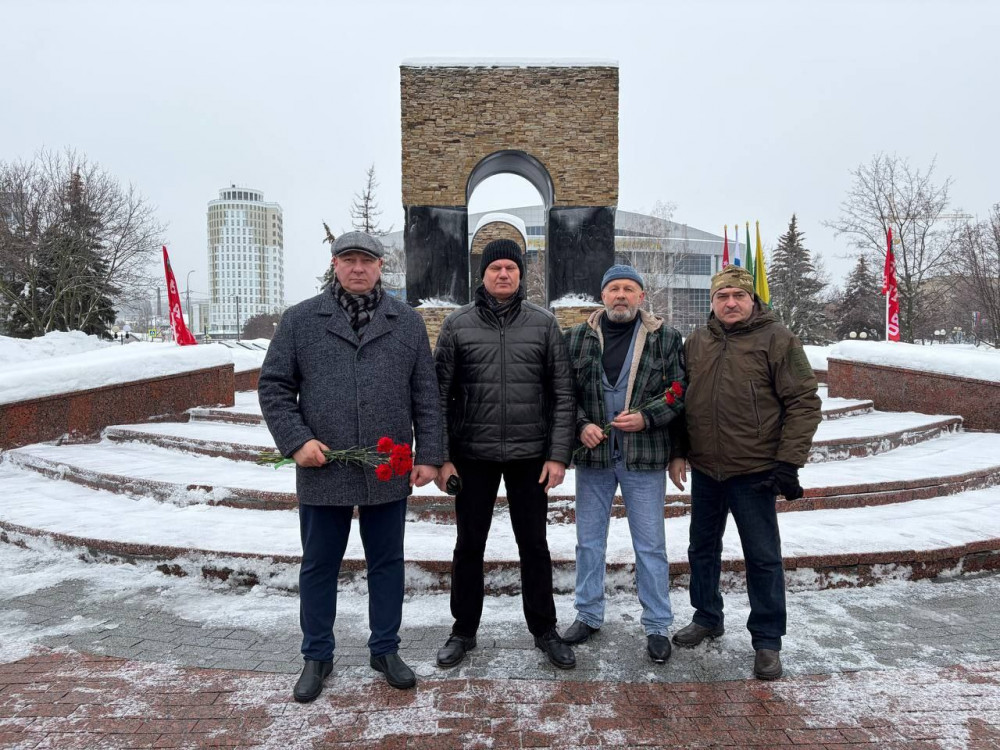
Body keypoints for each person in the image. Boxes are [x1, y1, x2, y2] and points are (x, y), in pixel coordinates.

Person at [258, 231, 442, 701]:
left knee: (387, 563)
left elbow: (426, 393)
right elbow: (274, 386)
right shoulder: (301, 320)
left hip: (386, 464)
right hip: (323, 465)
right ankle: (317, 655)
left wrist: (429, 455)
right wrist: (297, 442)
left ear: (381, 266)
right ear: (335, 264)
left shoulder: (406, 322)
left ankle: (385, 649)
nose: (358, 268)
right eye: (348, 260)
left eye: (366, 260)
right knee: (320, 564)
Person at [668, 265, 821, 681]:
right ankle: (707, 616)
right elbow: (682, 400)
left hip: (755, 470)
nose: (731, 303)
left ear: (752, 300)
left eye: (739, 295)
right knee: (702, 549)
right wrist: (679, 451)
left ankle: (768, 640)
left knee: (762, 557)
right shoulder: (697, 342)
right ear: (712, 302)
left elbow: (804, 402)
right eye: (723, 296)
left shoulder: (778, 339)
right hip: (706, 469)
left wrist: (788, 462)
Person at [433, 238, 577, 670]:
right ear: (482, 274)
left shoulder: (544, 323)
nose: (503, 274)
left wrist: (558, 455)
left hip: (530, 455)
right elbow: (438, 396)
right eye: (495, 267)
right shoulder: (457, 324)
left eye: (510, 268)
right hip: (472, 454)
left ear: (520, 274)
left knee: (534, 545)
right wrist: (442, 456)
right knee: (468, 545)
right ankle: (463, 630)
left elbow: (563, 394)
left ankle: (545, 629)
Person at [562, 264, 686, 664]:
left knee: (650, 545)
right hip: (595, 458)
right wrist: (581, 425)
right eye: (613, 288)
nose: (621, 295)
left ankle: (657, 624)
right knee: (589, 542)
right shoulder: (576, 338)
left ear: (641, 296)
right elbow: (563, 392)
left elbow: (679, 391)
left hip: (643, 457)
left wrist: (647, 416)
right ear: (602, 296)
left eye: (629, 289)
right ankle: (588, 614)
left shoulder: (665, 338)